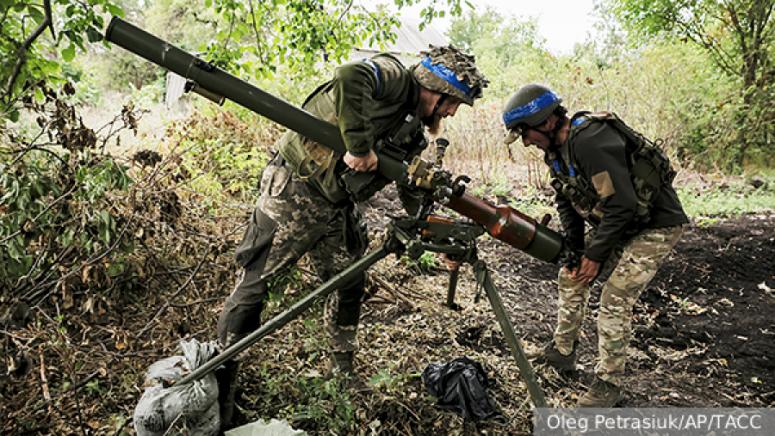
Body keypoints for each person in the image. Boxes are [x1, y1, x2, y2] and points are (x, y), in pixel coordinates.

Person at [215, 45, 488, 427]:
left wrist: (435, 231)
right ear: (434, 86)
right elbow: (349, 75)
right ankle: (219, 385)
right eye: (451, 102)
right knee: (255, 287)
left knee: (350, 282)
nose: (451, 112)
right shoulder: (394, 77)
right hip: (296, 191)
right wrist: (359, 147)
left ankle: (341, 371)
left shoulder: (413, 133)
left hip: (337, 205)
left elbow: (410, 187)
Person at [502, 84, 688, 407]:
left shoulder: (589, 141)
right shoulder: (555, 153)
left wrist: (595, 255)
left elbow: (623, 203)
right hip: (623, 222)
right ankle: (562, 352)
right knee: (570, 275)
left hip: (656, 224)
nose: (526, 141)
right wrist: (575, 251)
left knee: (614, 298)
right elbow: (566, 202)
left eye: (525, 133)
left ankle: (608, 384)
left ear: (545, 122)